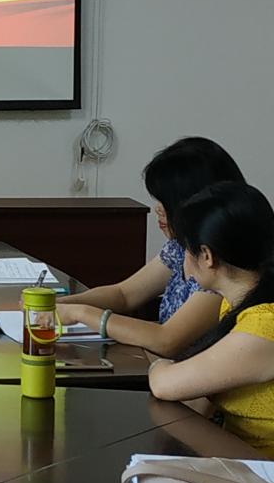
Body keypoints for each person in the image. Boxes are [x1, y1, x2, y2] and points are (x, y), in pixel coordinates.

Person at [57, 137, 245, 357]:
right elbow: (124, 294)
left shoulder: (223, 266)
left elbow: (167, 340)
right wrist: (57, 304)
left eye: (166, 201)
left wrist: (80, 313)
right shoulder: (181, 247)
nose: (158, 209)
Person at [149, 182, 274, 458]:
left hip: (262, 473)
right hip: (237, 456)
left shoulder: (264, 326)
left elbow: (163, 383)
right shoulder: (235, 303)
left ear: (206, 256)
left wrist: (159, 364)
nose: (183, 261)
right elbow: (205, 395)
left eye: (186, 250)